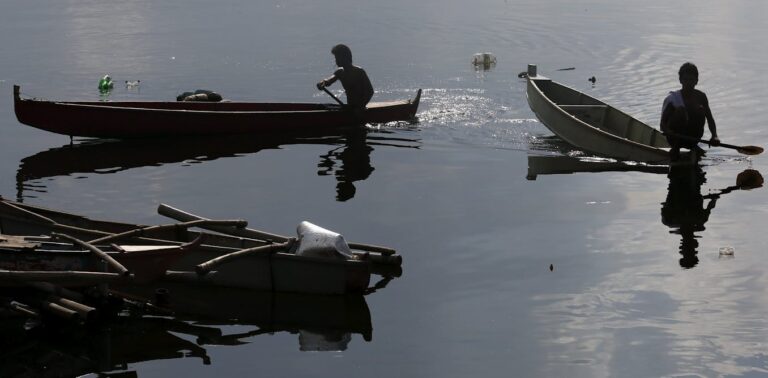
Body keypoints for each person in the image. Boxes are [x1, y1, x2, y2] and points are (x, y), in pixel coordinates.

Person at [660, 62, 719, 160]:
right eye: (685, 80)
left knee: (700, 110)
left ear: (696, 81)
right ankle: (676, 148)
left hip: (693, 138)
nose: (688, 83)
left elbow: (710, 119)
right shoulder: (673, 98)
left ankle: (692, 145)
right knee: (681, 111)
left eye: (691, 80)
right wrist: (668, 131)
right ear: (680, 80)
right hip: (674, 139)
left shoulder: (701, 97)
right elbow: (662, 124)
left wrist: (714, 136)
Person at [317, 44, 374, 120]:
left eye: (337, 58)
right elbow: (328, 81)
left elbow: (370, 91)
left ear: (345, 57)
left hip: (360, 108)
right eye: (335, 58)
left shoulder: (359, 72)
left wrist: (360, 107)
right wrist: (322, 83)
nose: (336, 61)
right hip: (349, 107)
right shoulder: (340, 72)